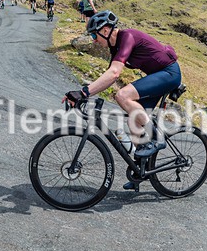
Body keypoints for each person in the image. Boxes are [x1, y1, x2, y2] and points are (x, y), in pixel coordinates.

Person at [63, 10, 181, 178]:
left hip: (169, 73)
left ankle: (157, 137)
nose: (94, 41)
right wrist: (83, 93)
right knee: (135, 126)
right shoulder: (115, 47)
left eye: (94, 36)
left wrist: (83, 92)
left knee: (122, 96)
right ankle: (141, 173)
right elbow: (108, 77)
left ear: (105, 30)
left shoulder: (127, 37)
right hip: (157, 77)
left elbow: (114, 73)